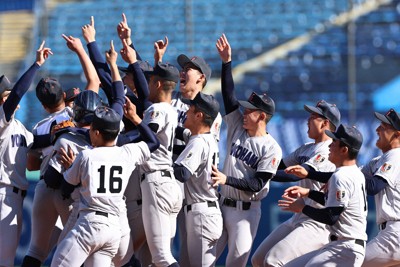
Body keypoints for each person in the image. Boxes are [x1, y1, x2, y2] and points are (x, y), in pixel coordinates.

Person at [22, 32, 101, 267]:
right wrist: (79, 49)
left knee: (36, 249)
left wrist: (38, 167)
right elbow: (94, 82)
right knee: (79, 249)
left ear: (44, 105)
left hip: (44, 187)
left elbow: (31, 167)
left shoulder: (37, 127)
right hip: (69, 184)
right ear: (63, 95)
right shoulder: (74, 114)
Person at [50, 102, 159, 267]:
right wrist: (135, 119)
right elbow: (153, 142)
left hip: (89, 224)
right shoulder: (127, 153)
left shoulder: (86, 156)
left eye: (92, 129)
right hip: (114, 230)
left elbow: (65, 189)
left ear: (97, 132)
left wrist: (72, 168)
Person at [212, 33, 282, 267]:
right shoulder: (237, 128)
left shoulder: (272, 148)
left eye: (249, 110)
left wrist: (225, 179)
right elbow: (229, 97)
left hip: (246, 212)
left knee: (236, 263)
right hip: (221, 205)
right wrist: (226, 63)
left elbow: (257, 184)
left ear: (262, 116)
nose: (243, 112)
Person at [252, 100, 340, 267]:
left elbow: (293, 175)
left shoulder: (327, 150)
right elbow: (278, 166)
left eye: (313, 117)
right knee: (258, 259)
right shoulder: (306, 148)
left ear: (325, 123)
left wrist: (261, 175)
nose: (308, 120)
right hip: (299, 215)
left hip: (317, 222)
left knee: (273, 261)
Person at [279, 124, 367, 267]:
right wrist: (309, 192)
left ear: (344, 150)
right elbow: (334, 204)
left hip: (345, 247)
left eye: (334, 143)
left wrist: (303, 208)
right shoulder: (354, 172)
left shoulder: (341, 176)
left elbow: (330, 217)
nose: (329, 146)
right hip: (342, 245)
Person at [0, 41, 52, 267]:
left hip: (14, 197)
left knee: (7, 260)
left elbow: (37, 147)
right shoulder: (1, 120)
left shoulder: (21, 129)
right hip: (3, 193)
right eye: (6, 95)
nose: (11, 98)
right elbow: (18, 93)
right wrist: (36, 64)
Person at [173, 92, 223, 267]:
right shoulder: (206, 138)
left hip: (202, 214)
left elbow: (182, 173)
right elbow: (181, 132)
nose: (186, 112)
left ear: (199, 115)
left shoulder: (199, 142)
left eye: (190, 109)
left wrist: (161, 166)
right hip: (204, 211)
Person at [361, 108, 400, 266]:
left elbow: (373, 186)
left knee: (350, 262)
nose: (377, 129)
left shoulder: (395, 156)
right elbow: (352, 176)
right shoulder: (380, 160)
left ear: (398, 134)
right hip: (391, 232)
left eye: (384, 127)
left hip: (395, 234)